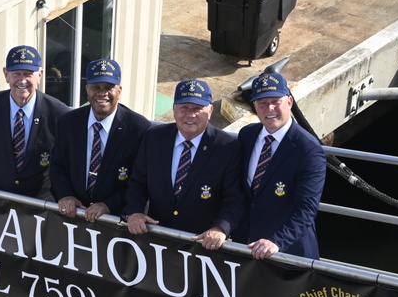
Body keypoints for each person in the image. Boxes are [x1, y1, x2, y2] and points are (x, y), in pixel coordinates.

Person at [123, 79, 244, 250]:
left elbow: (234, 198)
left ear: (210, 111)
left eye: (197, 109)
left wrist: (220, 228)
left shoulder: (227, 147)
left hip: (201, 246)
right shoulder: (154, 138)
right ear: (174, 110)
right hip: (155, 241)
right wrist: (134, 212)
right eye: (184, 108)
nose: (190, 115)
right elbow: (137, 182)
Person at [237, 70, 326, 259]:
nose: (269, 109)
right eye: (262, 103)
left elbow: (306, 209)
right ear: (254, 106)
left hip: (289, 254)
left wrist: (276, 241)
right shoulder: (247, 135)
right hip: (247, 248)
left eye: (275, 102)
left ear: (289, 102)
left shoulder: (309, 150)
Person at [50, 59, 152, 222]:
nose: (102, 93)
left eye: (108, 88)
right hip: (73, 219)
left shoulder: (139, 129)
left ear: (119, 90)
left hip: (115, 224)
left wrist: (108, 205)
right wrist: (66, 195)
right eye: (96, 87)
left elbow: (140, 182)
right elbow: (57, 165)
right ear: (87, 89)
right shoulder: (68, 122)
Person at [0, 45, 69, 199]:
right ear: (6, 74)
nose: (22, 80)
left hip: (40, 209)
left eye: (28, 74)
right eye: (16, 73)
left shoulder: (59, 114)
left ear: (40, 75)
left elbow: (64, 167)